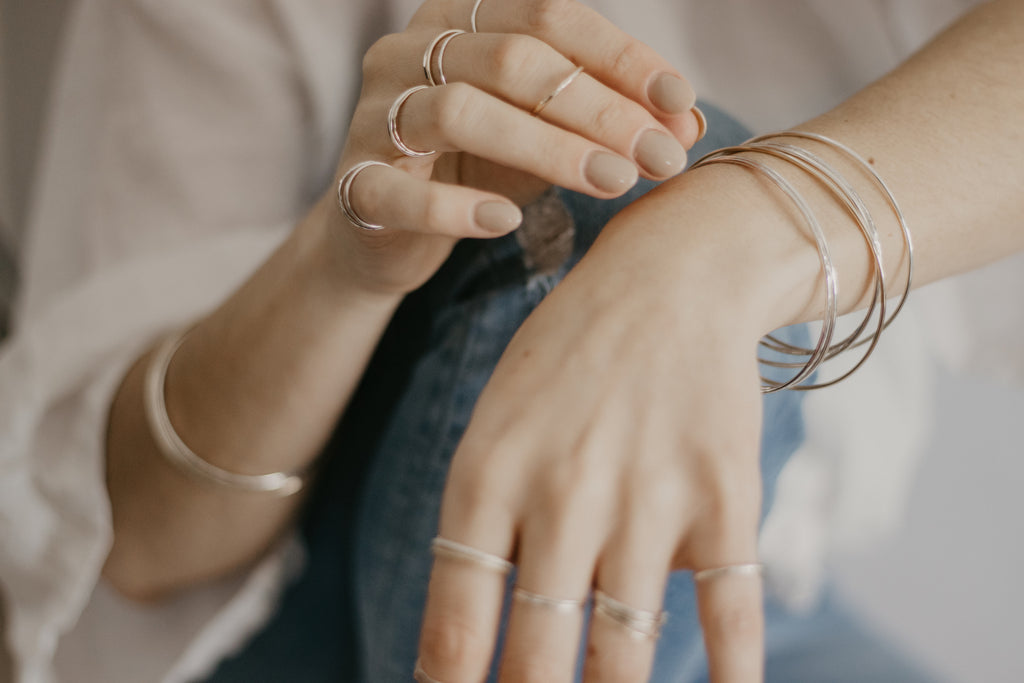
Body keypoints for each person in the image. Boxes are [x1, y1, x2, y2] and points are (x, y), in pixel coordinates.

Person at [1, 0, 1020, 682]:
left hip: (748, 605)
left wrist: (708, 250)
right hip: (294, 600)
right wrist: (341, 266)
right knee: (593, 190)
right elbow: (137, 539)